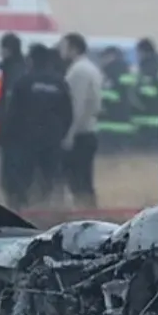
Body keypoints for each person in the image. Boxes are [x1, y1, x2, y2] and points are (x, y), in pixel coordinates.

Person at [4, 43, 74, 207]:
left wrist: (12, 138)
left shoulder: (23, 82)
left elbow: (13, 113)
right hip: (51, 141)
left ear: (31, 60)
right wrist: (59, 134)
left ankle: (24, 208)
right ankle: (45, 208)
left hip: (26, 141)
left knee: (24, 179)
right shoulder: (59, 83)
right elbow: (68, 114)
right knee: (48, 179)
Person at [60, 33, 104, 208]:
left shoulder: (78, 71)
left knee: (78, 183)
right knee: (84, 181)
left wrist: (68, 136)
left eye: (64, 47)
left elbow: (76, 105)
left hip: (80, 134)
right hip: (88, 131)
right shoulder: (90, 67)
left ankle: (85, 213)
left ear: (73, 48)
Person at [0, 33, 26, 202]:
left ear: (7, 49)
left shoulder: (7, 70)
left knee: (10, 170)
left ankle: (14, 201)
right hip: (23, 128)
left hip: (9, 128)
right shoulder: (24, 68)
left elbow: (1, 100)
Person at [96, 46, 138, 152]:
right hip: (124, 113)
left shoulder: (109, 70)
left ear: (111, 56)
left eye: (104, 57)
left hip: (110, 113)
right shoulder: (127, 69)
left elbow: (109, 91)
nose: (102, 60)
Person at [130, 38, 158, 147]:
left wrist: (136, 95)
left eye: (138, 53)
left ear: (143, 52)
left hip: (147, 117)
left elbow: (148, 92)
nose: (137, 56)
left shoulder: (148, 68)